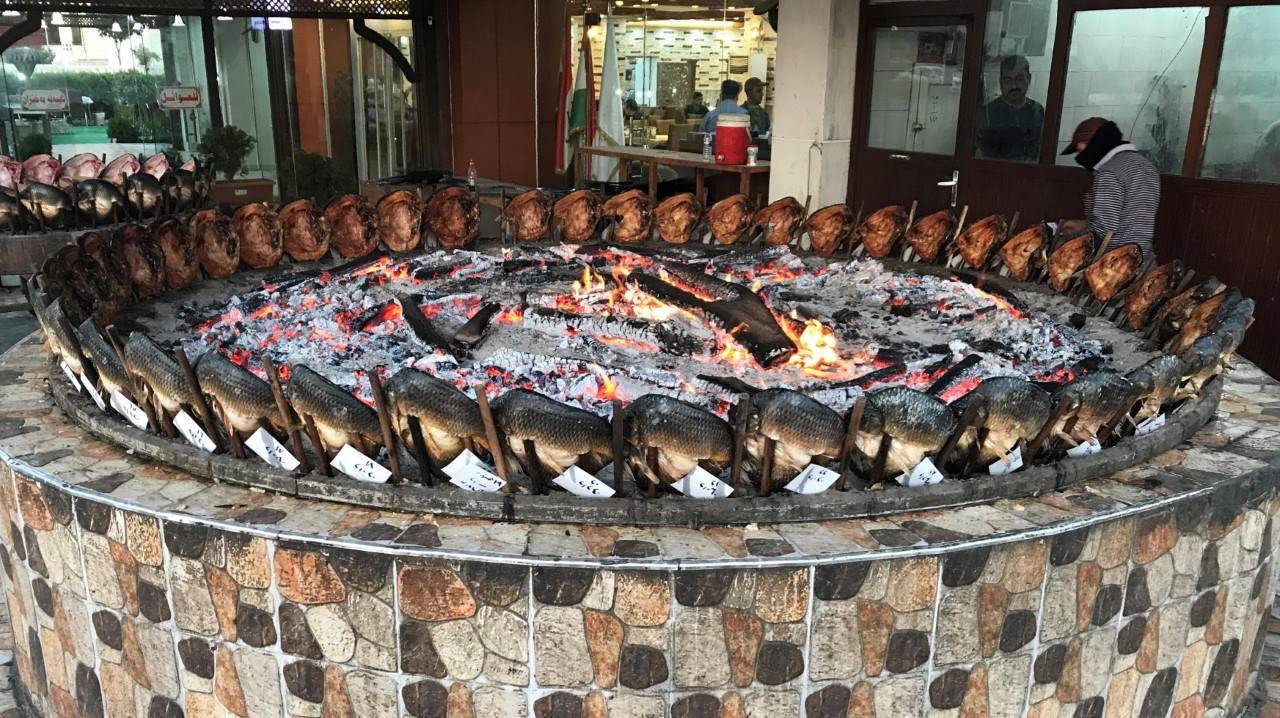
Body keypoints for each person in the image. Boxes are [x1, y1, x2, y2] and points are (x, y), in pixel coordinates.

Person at [1061, 117, 1161, 261]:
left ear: (1095, 143)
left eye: (1079, 148)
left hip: (1114, 266)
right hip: (1142, 260)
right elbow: (1130, 217)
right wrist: (1084, 224)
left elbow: (1104, 230)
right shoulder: (1147, 166)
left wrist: (1074, 233)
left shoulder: (1110, 172)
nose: (1078, 155)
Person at [975, 55, 1045, 161]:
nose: (1013, 86)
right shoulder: (988, 113)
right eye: (1008, 80)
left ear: (1029, 78)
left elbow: (1040, 151)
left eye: (1019, 79)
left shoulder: (1037, 111)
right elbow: (980, 156)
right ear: (1001, 83)